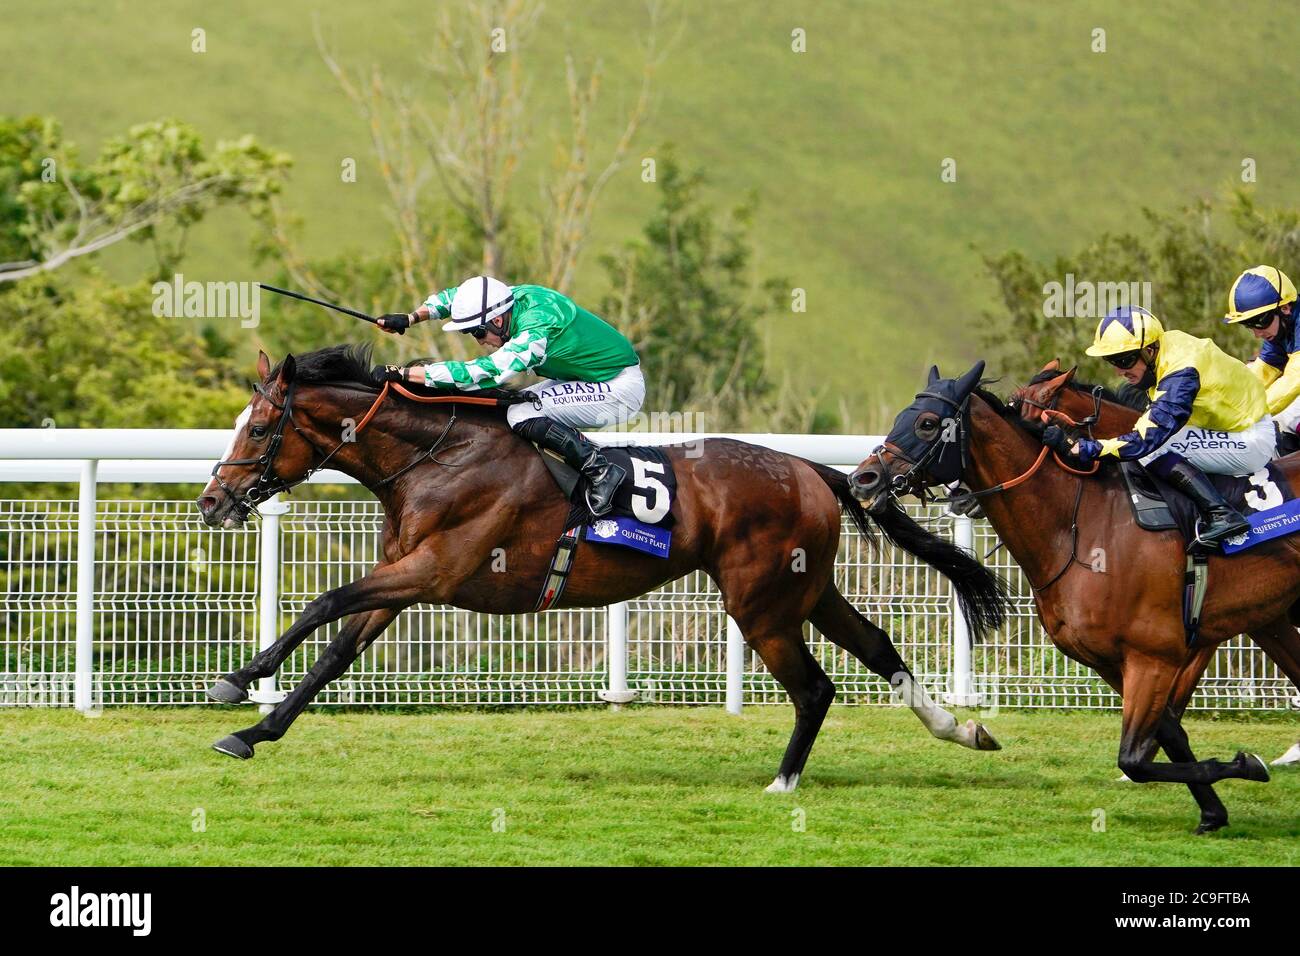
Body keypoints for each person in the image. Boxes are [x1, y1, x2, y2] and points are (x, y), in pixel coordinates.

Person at [372, 275, 643, 516]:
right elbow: (453, 298)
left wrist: (406, 374)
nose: (479, 341)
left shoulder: (536, 330)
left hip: (617, 389)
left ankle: (602, 472)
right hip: (588, 379)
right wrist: (411, 317)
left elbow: (484, 374)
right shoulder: (508, 298)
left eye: (477, 332)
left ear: (498, 320)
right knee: (510, 412)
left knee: (521, 413)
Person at [1043, 305, 1274, 545]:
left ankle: (1222, 514)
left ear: (1150, 350)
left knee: (1152, 450)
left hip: (1250, 439)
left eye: (1125, 359)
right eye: (1111, 360)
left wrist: (1088, 449)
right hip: (1229, 429)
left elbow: (1147, 439)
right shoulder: (1166, 347)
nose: (1119, 371)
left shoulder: (1181, 371)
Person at [1223, 265, 1300, 453]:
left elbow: (1293, 380)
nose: (1257, 334)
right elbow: (1261, 372)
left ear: (1285, 307)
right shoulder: (1281, 330)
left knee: (1287, 418)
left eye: (1259, 321)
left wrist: (1247, 415)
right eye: (1248, 325)